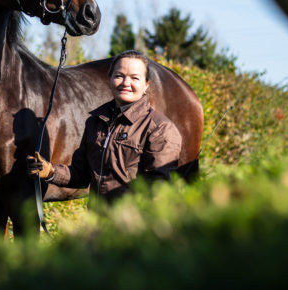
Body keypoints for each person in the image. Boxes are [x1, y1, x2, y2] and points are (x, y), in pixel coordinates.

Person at [27, 50, 182, 203]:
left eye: (135, 78)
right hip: (98, 221)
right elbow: (82, 174)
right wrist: (50, 171)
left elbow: (159, 189)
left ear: (146, 85)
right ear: (110, 79)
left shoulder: (160, 128)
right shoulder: (96, 122)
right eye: (119, 76)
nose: (126, 83)